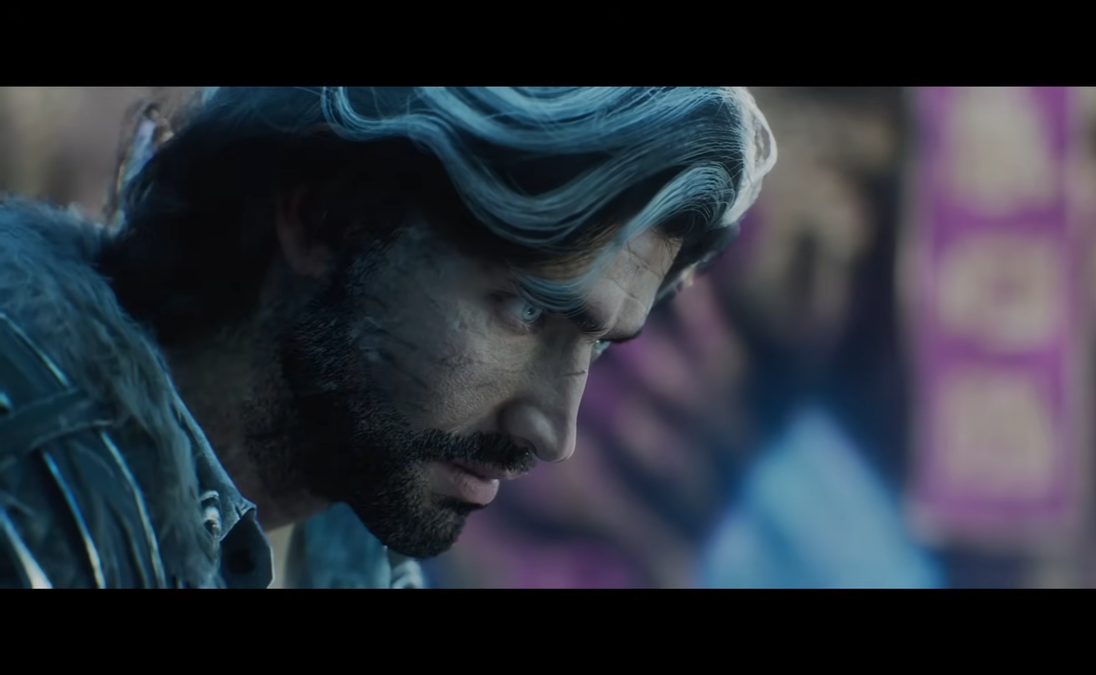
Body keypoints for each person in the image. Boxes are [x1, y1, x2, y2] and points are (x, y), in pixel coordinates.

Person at [0, 87, 776, 589]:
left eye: (599, 344)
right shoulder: (25, 473)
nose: (553, 431)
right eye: (528, 310)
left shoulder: (362, 545)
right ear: (325, 216)